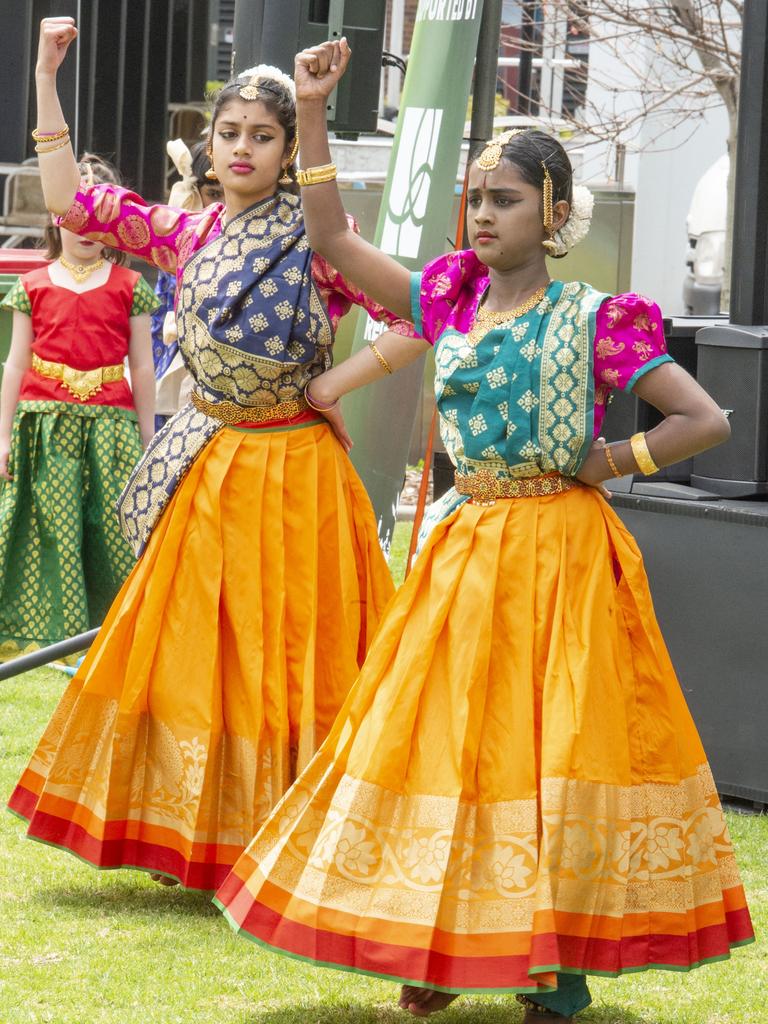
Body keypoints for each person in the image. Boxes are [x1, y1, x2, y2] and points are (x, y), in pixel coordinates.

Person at [213, 40, 755, 1022]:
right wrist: (320, 108)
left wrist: (611, 462)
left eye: (505, 197)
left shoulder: (600, 317)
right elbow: (334, 241)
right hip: (467, 553)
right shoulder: (447, 297)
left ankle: (555, 959)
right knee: (440, 741)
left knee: (548, 752)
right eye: (475, 197)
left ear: (553, 214)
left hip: (562, 558)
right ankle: (438, 940)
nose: (483, 213)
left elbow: (704, 419)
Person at [8, 18, 416, 892]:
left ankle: (297, 834)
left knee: (295, 650)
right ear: (210, 142)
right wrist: (45, 77)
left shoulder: (318, 239)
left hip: (298, 469)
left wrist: (331, 387)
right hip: (212, 464)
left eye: (261, 137)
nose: (241, 149)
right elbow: (72, 203)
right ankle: (190, 832)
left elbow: (413, 321)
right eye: (228, 133)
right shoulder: (185, 234)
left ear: (282, 148)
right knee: (203, 648)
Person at [0, 154, 156, 662]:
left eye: (97, 213)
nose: (85, 226)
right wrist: (2, 437)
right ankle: (47, 633)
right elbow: (14, 365)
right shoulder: (32, 287)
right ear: (54, 216)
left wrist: (150, 438)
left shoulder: (131, 288)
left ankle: (113, 629)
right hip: (43, 426)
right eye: (73, 212)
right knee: (49, 524)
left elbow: (145, 368)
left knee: (110, 528)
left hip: (112, 428)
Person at [152, 139, 223, 426]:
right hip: (178, 371)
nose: (224, 203)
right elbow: (159, 318)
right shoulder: (179, 240)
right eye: (214, 193)